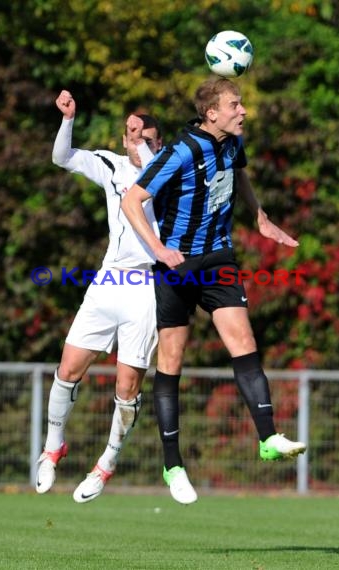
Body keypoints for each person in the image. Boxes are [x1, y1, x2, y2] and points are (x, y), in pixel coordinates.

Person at [122, 77, 306, 505]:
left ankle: (268, 437)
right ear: (212, 113)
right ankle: (173, 465)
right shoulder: (181, 150)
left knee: (244, 342)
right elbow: (133, 200)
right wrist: (159, 249)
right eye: (235, 105)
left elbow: (238, 174)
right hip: (177, 264)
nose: (243, 111)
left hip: (219, 258)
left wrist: (259, 216)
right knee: (171, 360)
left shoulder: (232, 143)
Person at [35, 90, 162, 503]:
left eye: (149, 137)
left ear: (158, 143)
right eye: (134, 135)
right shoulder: (112, 164)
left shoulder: (168, 172)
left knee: (127, 386)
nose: (141, 141)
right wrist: (68, 120)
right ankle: (54, 446)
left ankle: (106, 463)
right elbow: (62, 157)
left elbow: (154, 167)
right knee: (69, 367)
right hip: (108, 281)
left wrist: (143, 140)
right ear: (123, 141)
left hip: (146, 287)